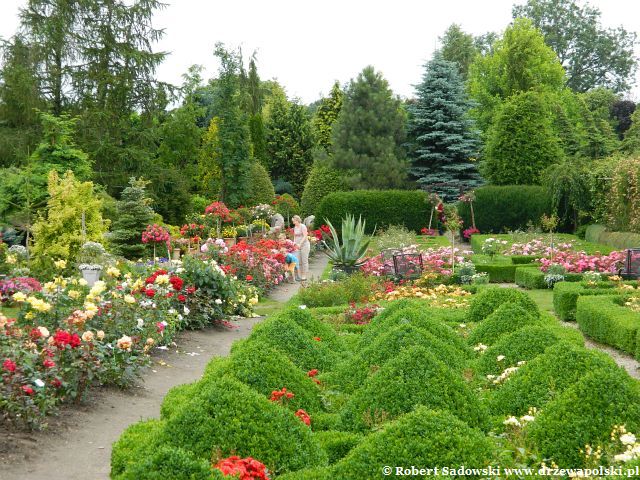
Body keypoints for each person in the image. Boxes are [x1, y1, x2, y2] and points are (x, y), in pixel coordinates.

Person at [292, 215, 310, 281]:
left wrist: (300, 243)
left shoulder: (302, 226)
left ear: (297, 220)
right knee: (298, 260)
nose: (293, 222)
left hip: (304, 245)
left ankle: (304, 275)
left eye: (293, 221)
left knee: (304, 261)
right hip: (297, 246)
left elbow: (305, 235)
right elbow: (295, 237)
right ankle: (299, 275)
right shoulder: (295, 227)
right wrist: (294, 244)